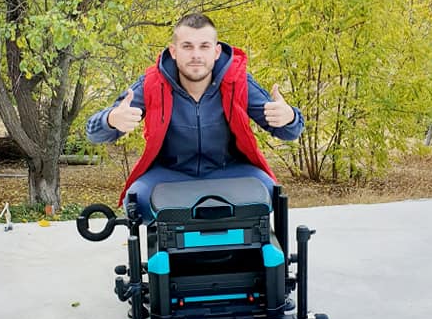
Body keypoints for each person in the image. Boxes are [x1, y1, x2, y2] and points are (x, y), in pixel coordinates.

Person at [86, 12, 303, 219]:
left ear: (216, 52)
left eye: (204, 46)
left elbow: (289, 132)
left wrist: (289, 118)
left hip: (230, 170)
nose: (196, 55)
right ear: (173, 51)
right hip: (170, 173)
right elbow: (93, 133)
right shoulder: (153, 84)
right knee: (137, 203)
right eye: (187, 46)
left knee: (271, 194)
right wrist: (111, 120)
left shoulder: (238, 82)